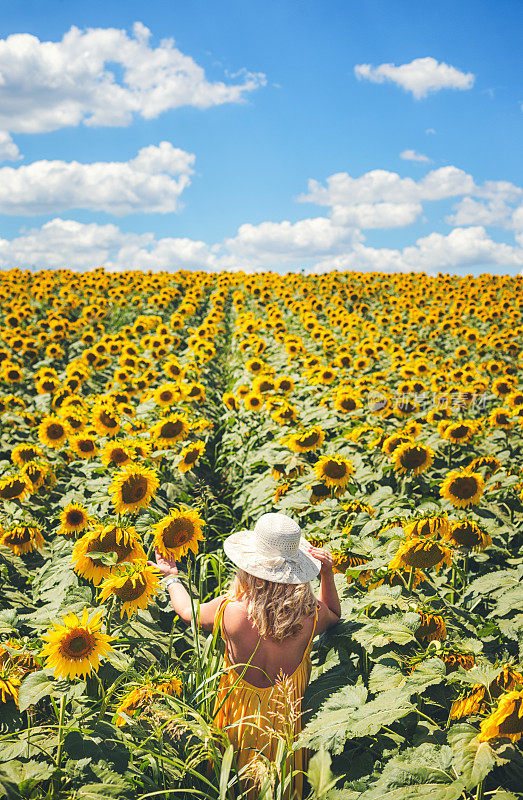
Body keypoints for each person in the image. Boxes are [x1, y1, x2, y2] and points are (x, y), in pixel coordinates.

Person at [153, 512, 341, 798]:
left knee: (232, 784)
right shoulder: (310, 615)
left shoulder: (231, 610)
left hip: (239, 722)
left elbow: (186, 612)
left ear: (249, 568)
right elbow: (336, 615)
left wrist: (171, 578)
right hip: (287, 725)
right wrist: (327, 574)